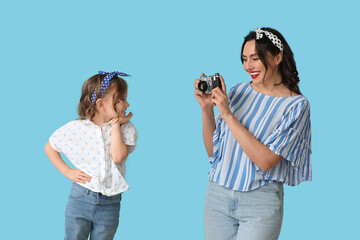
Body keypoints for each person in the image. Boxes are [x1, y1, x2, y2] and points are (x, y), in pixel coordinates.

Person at [194, 27, 311, 240]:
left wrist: (228, 115)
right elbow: (214, 154)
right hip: (217, 195)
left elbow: (266, 161)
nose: (249, 66)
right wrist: (206, 110)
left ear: (277, 57)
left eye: (255, 58)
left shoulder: (296, 106)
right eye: (244, 59)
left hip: (260, 202)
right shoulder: (238, 92)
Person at [44, 71, 138, 240]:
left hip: (110, 203)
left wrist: (116, 124)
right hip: (81, 198)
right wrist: (68, 172)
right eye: (122, 99)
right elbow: (50, 147)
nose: (127, 104)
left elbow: (118, 157)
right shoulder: (77, 127)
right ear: (101, 105)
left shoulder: (126, 128)